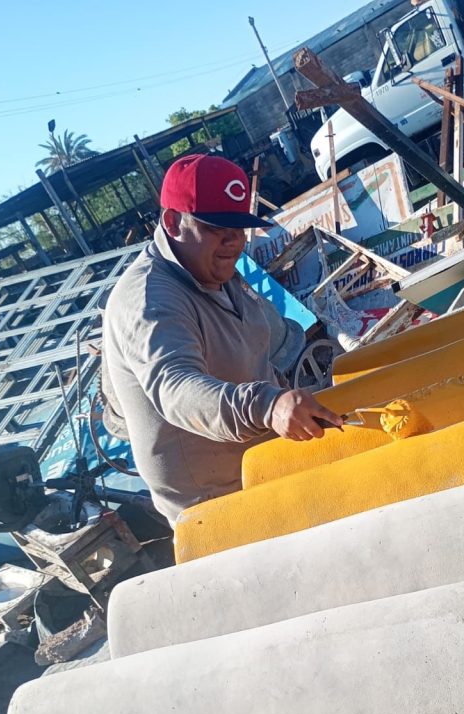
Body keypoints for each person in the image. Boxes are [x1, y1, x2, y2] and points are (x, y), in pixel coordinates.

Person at [102, 153, 342, 525]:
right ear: (173, 222)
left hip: (263, 465)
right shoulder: (150, 300)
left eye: (240, 227)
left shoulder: (219, 272)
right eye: (216, 227)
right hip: (215, 505)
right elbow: (176, 389)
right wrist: (268, 406)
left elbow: (269, 347)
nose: (235, 241)